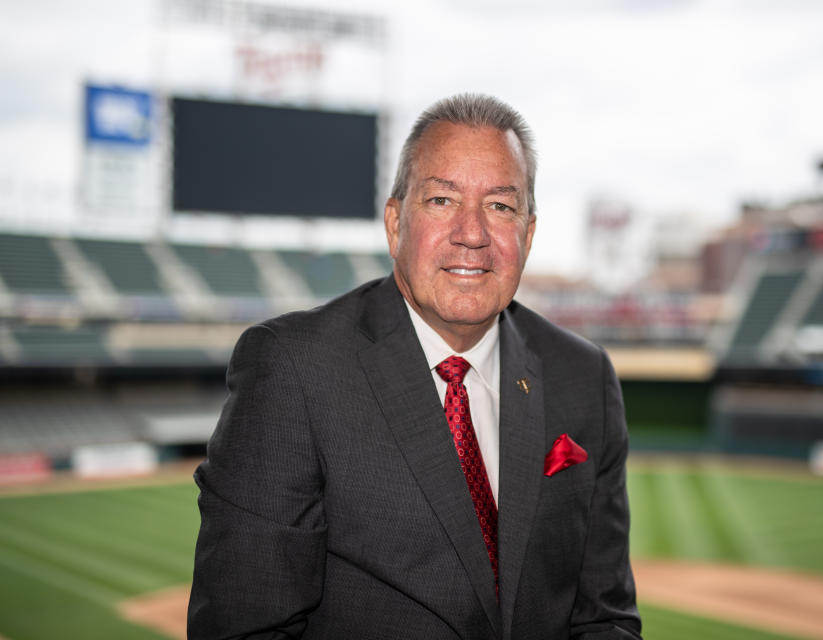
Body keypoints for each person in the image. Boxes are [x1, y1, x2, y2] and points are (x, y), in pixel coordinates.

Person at [188, 93, 643, 639]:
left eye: (500, 206)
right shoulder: (293, 369)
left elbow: (605, 619)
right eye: (442, 200)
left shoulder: (584, 377)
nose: (472, 234)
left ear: (528, 232)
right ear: (395, 222)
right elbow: (245, 628)